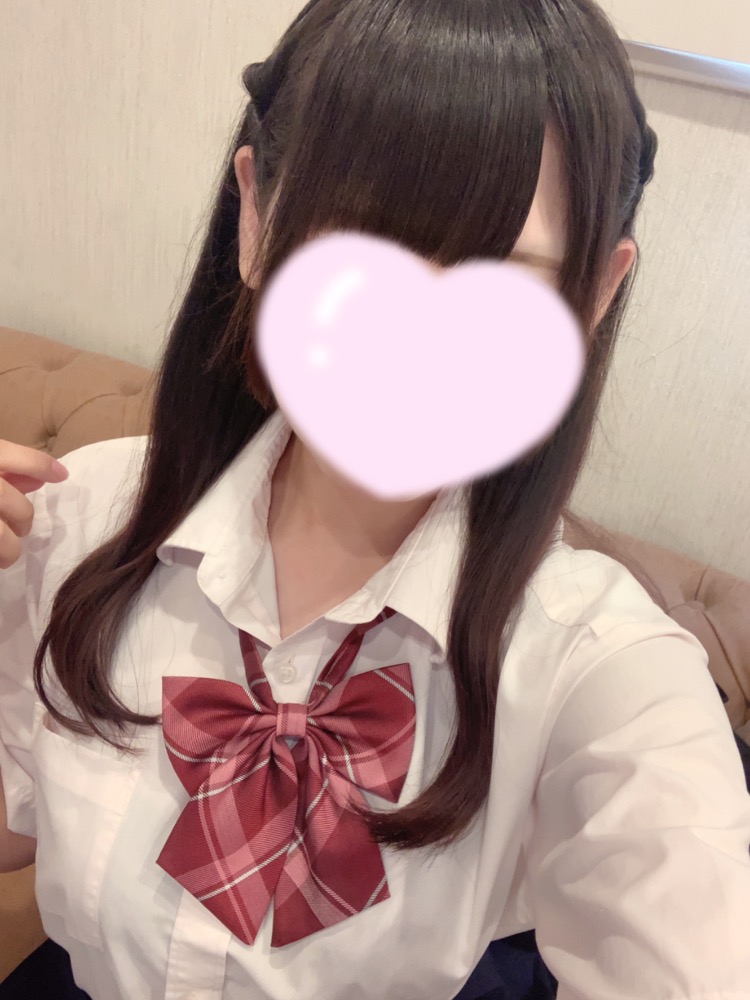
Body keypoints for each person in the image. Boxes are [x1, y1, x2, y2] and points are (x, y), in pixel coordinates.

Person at [1, 0, 749, 998]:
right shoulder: (81, 518)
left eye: (500, 278)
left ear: (594, 296)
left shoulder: (602, 671)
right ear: (258, 216)